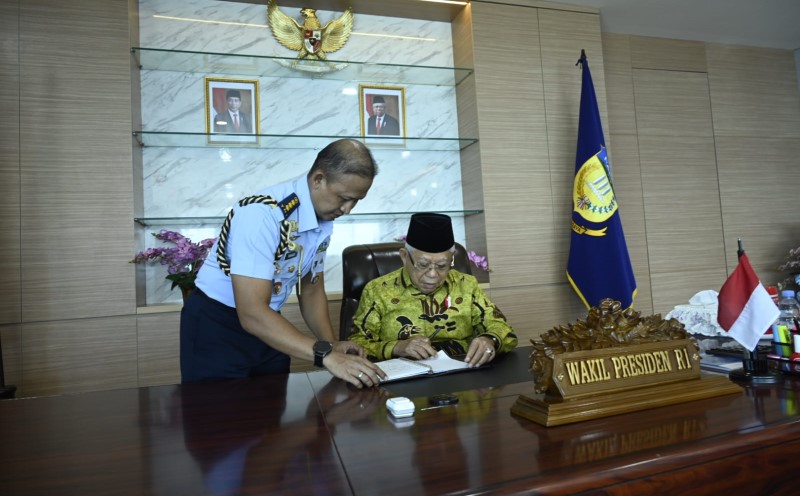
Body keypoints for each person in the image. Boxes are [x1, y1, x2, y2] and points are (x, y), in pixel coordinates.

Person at [181, 139, 386, 387]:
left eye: (356, 201)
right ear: (318, 179)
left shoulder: (322, 218)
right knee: (219, 418)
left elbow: (310, 288)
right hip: (219, 326)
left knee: (272, 416)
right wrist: (325, 355)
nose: (348, 209)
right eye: (344, 198)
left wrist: (331, 344)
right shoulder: (263, 214)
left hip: (270, 325)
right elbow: (252, 313)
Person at [349, 212, 517, 367]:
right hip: (402, 380)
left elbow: (503, 330)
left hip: (460, 371)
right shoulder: (378, 291)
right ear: (404, 256)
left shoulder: (466, 285)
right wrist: (397, 347)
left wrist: (490, 339)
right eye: (423, 265)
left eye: (442, 266)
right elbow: (356, 344)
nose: (433, 275)